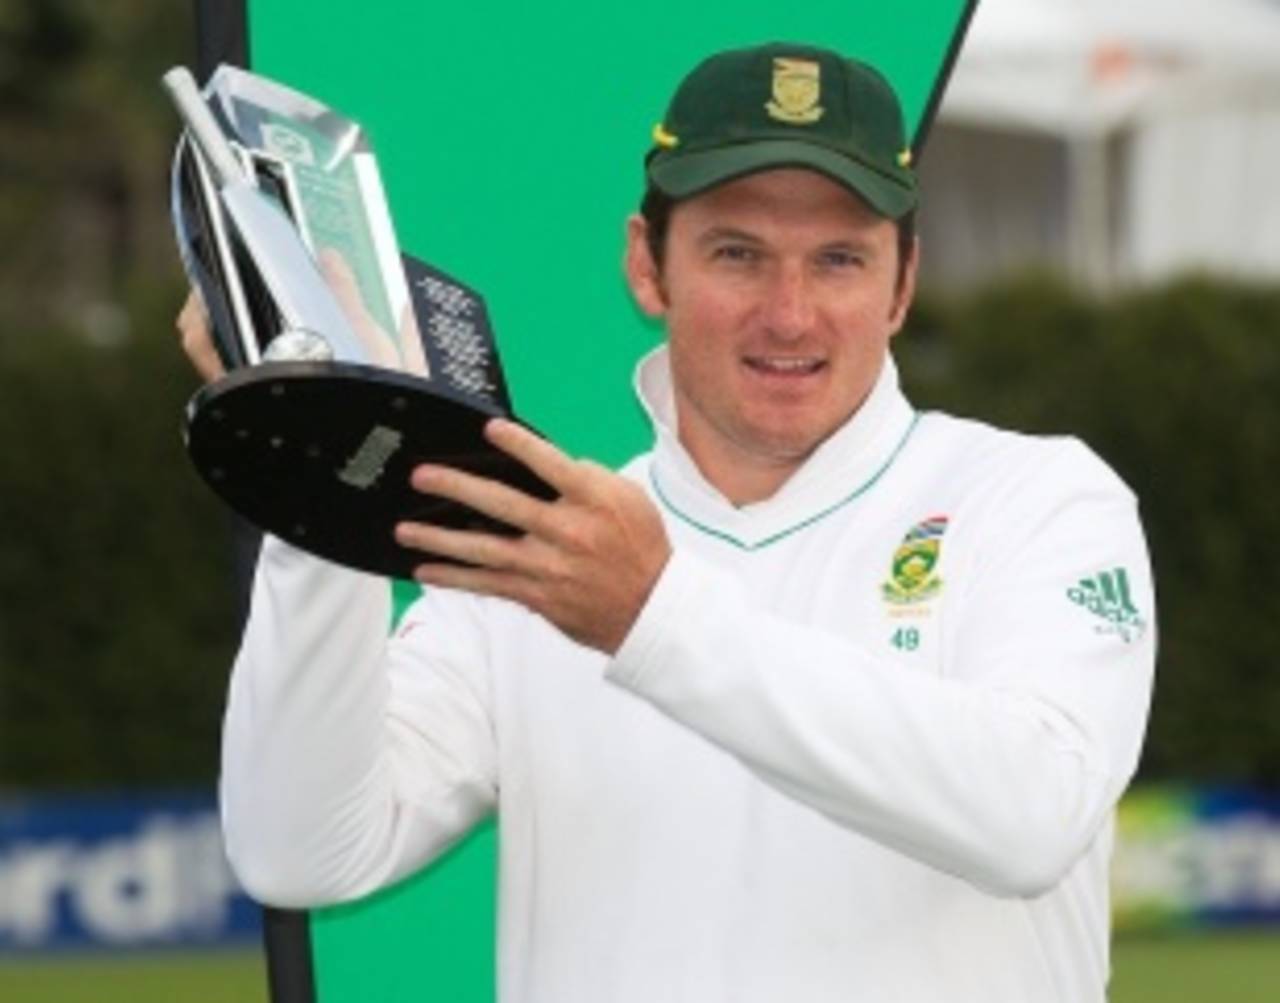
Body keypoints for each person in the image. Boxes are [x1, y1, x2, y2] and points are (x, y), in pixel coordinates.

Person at [180, 42, 1156, 1002]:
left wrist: (652, 615)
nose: (788, 314)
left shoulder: (1039, 498)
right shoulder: (544, 544)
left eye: (838, 260)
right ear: (647, 267)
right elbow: (299, 848)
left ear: (900, 285)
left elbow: (1033, 813)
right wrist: (321, 473)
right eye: (736, 253)